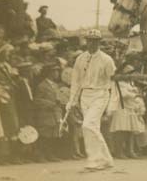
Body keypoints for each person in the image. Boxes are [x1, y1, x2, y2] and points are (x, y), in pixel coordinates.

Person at [67, 29, 117, 171]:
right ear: (86, 41)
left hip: (100, 94)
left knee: (88, 125)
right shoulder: (80, 58)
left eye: (95, 41)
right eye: (89, 40)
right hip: (85, 96)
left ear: (99, 42)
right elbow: (75, 81)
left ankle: (94, 160)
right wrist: (72, 100)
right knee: (92, 127)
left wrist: (112, 105)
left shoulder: (107, 60)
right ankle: (106, 159)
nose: (91, 43)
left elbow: (114, 82)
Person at [31, 60, 65, 162]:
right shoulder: (42, 86)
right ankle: (40, 155)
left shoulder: (55, 85)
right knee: (44, 136)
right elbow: (37, 100)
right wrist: (50, 103)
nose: (57, 73)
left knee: (53, 135)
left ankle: (50, 154)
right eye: (55, 71)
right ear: (49, 73)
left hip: (55, 114)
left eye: (57, 71)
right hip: (46, 113)